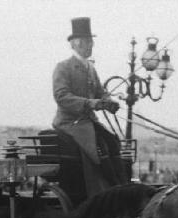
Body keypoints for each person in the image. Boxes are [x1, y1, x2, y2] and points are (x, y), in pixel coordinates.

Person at [52, 17, 128, 198]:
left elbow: (100, 92)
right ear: (76, 44)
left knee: (112, 142)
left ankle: (120, 187)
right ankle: (102, 193)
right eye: (87, 42)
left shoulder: (91, 68)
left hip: (88, 122)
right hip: (71, 122)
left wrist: (108, 102)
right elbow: (61, 96)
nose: (91, 46)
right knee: (98, 149)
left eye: (91, 42)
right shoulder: (63, 67)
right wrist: (90, 103)